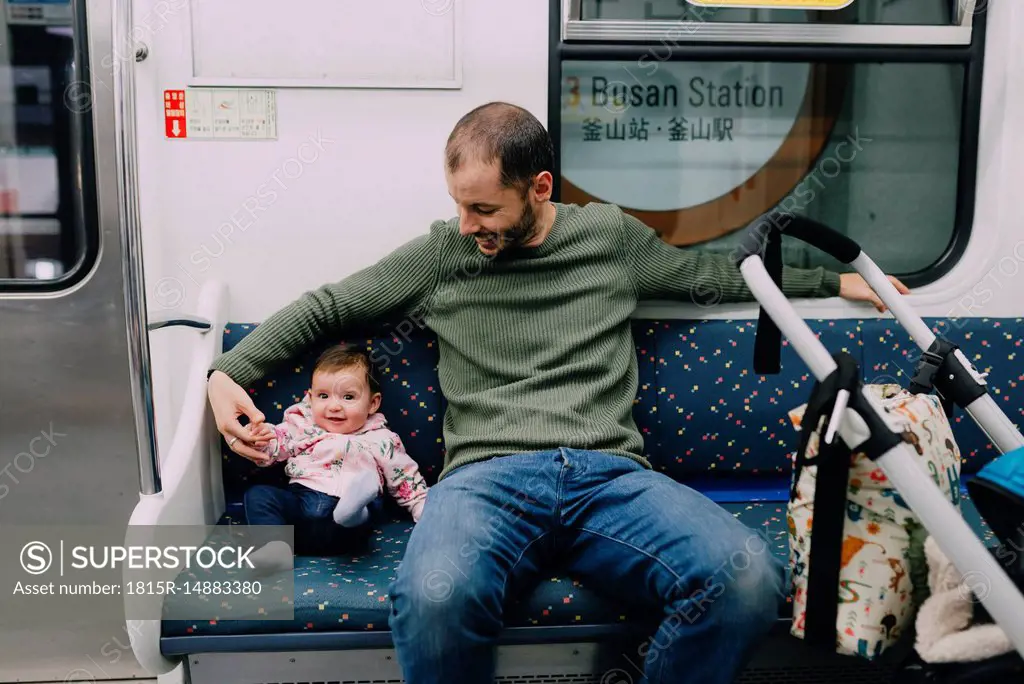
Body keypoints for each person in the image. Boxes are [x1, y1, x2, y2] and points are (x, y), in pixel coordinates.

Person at [207, 102, 910, 683]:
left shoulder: (608, 238)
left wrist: (835, 283)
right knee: (433, 599)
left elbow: (709, 278)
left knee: (748, 579)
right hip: (486, 479)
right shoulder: (443, 254)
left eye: (484, 208)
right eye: (458, 206)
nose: (467, 226)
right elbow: (330, 307)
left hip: (608, 476)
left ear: (540, 188)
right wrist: (226, 373)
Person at [241, 344, 428, 567]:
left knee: (361, 510)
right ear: (310, 399)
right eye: (323, 396)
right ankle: (275, 547)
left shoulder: (381, 439)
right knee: (259, 495)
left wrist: (424, 510)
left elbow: (405, 478)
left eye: (348, 397)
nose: (334, 406)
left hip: (346, 527)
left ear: (372, 403)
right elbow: (275, 447)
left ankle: (353, 511)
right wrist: (261, 438)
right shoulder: (301, 426)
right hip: (301, 508)